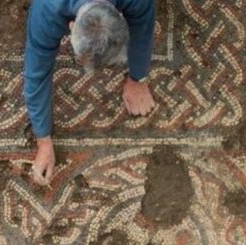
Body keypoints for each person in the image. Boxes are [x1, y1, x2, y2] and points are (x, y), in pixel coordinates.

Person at [24, 0, 157, 186]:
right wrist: (43, 140)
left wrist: (138, 78)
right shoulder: (46, 10)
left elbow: (143, 24)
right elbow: (36, 75)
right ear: (70, 26)